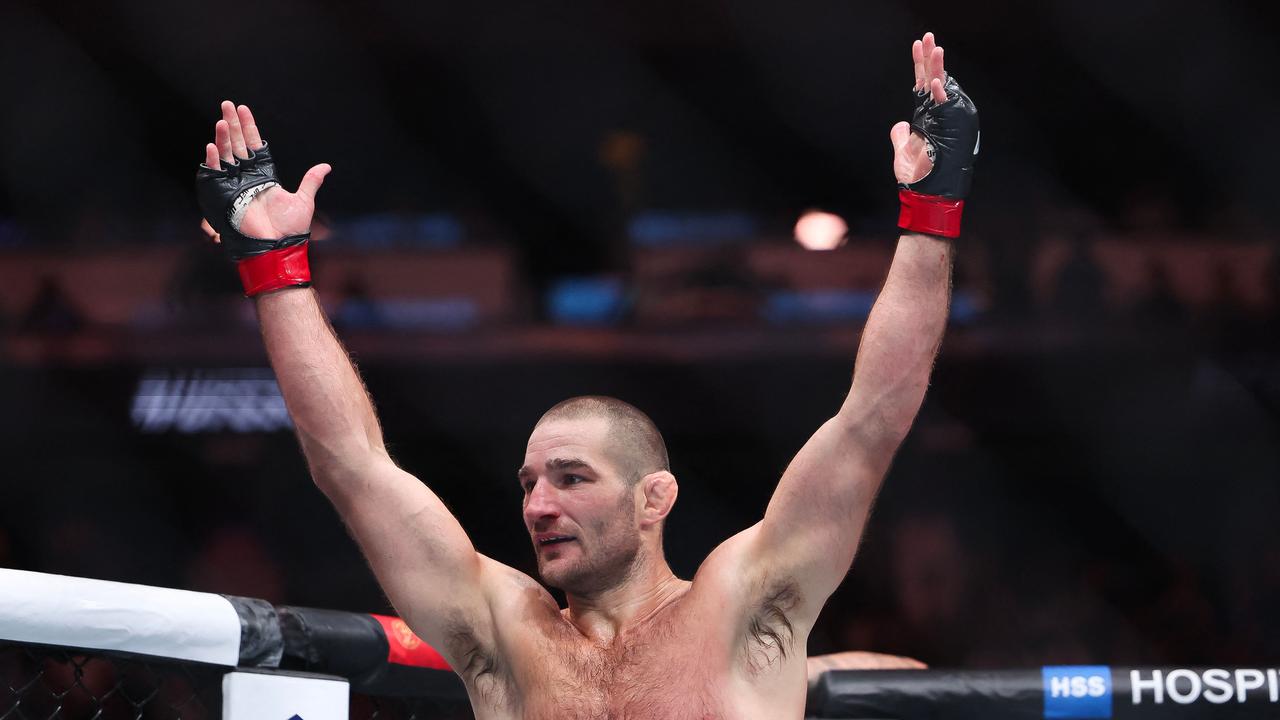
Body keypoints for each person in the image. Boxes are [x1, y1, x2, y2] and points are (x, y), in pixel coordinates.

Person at [195, 31, 977, 720]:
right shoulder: (502, 628)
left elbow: (871, 419)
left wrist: (931, 210)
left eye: (571, 478)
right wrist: (274, 267)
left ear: (654, 497)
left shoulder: (745, 602)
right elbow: (352, 467)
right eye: (530, 481)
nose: (537, 504)